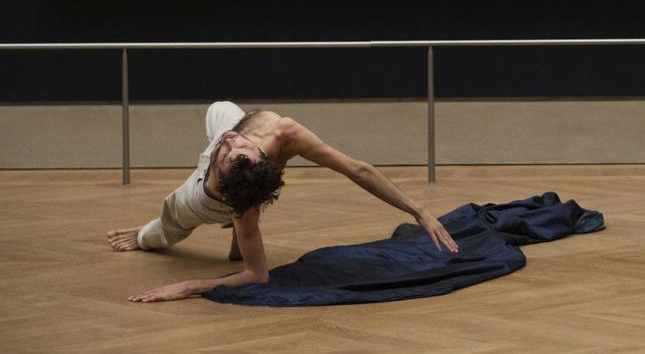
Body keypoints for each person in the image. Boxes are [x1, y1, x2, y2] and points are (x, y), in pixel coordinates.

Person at [108, 101, 458, 304]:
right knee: (221, 109)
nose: (229, 143)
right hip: (242, 181)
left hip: (206, 197)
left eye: (233, 151)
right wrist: (419, 210)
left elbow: (257, 275)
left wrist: (188, 286)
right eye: (235, 147)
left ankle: (143, 235)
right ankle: (239, 233)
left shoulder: (229, 198)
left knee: (166, 228)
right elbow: (358, 169)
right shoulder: (261, 133)